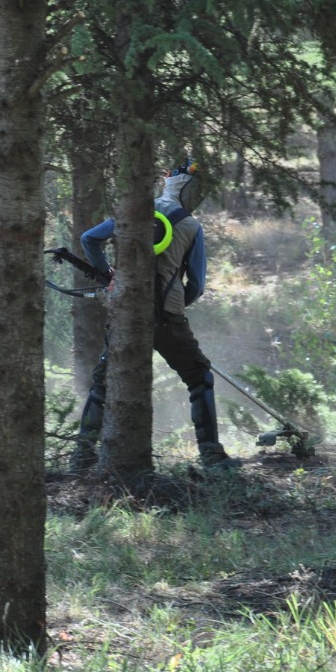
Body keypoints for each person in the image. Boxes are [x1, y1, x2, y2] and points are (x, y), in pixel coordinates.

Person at [69, 157, 235, 472]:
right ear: (190, 191)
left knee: (102, 385)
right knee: (200, 378)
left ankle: (82, 457)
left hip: (125, 318)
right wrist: (174, 304)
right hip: (169, 320)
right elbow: (197, 286)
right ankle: (212, 456)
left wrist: (109, 276)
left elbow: (89, 239)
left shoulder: (134, 212)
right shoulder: (191, 225)